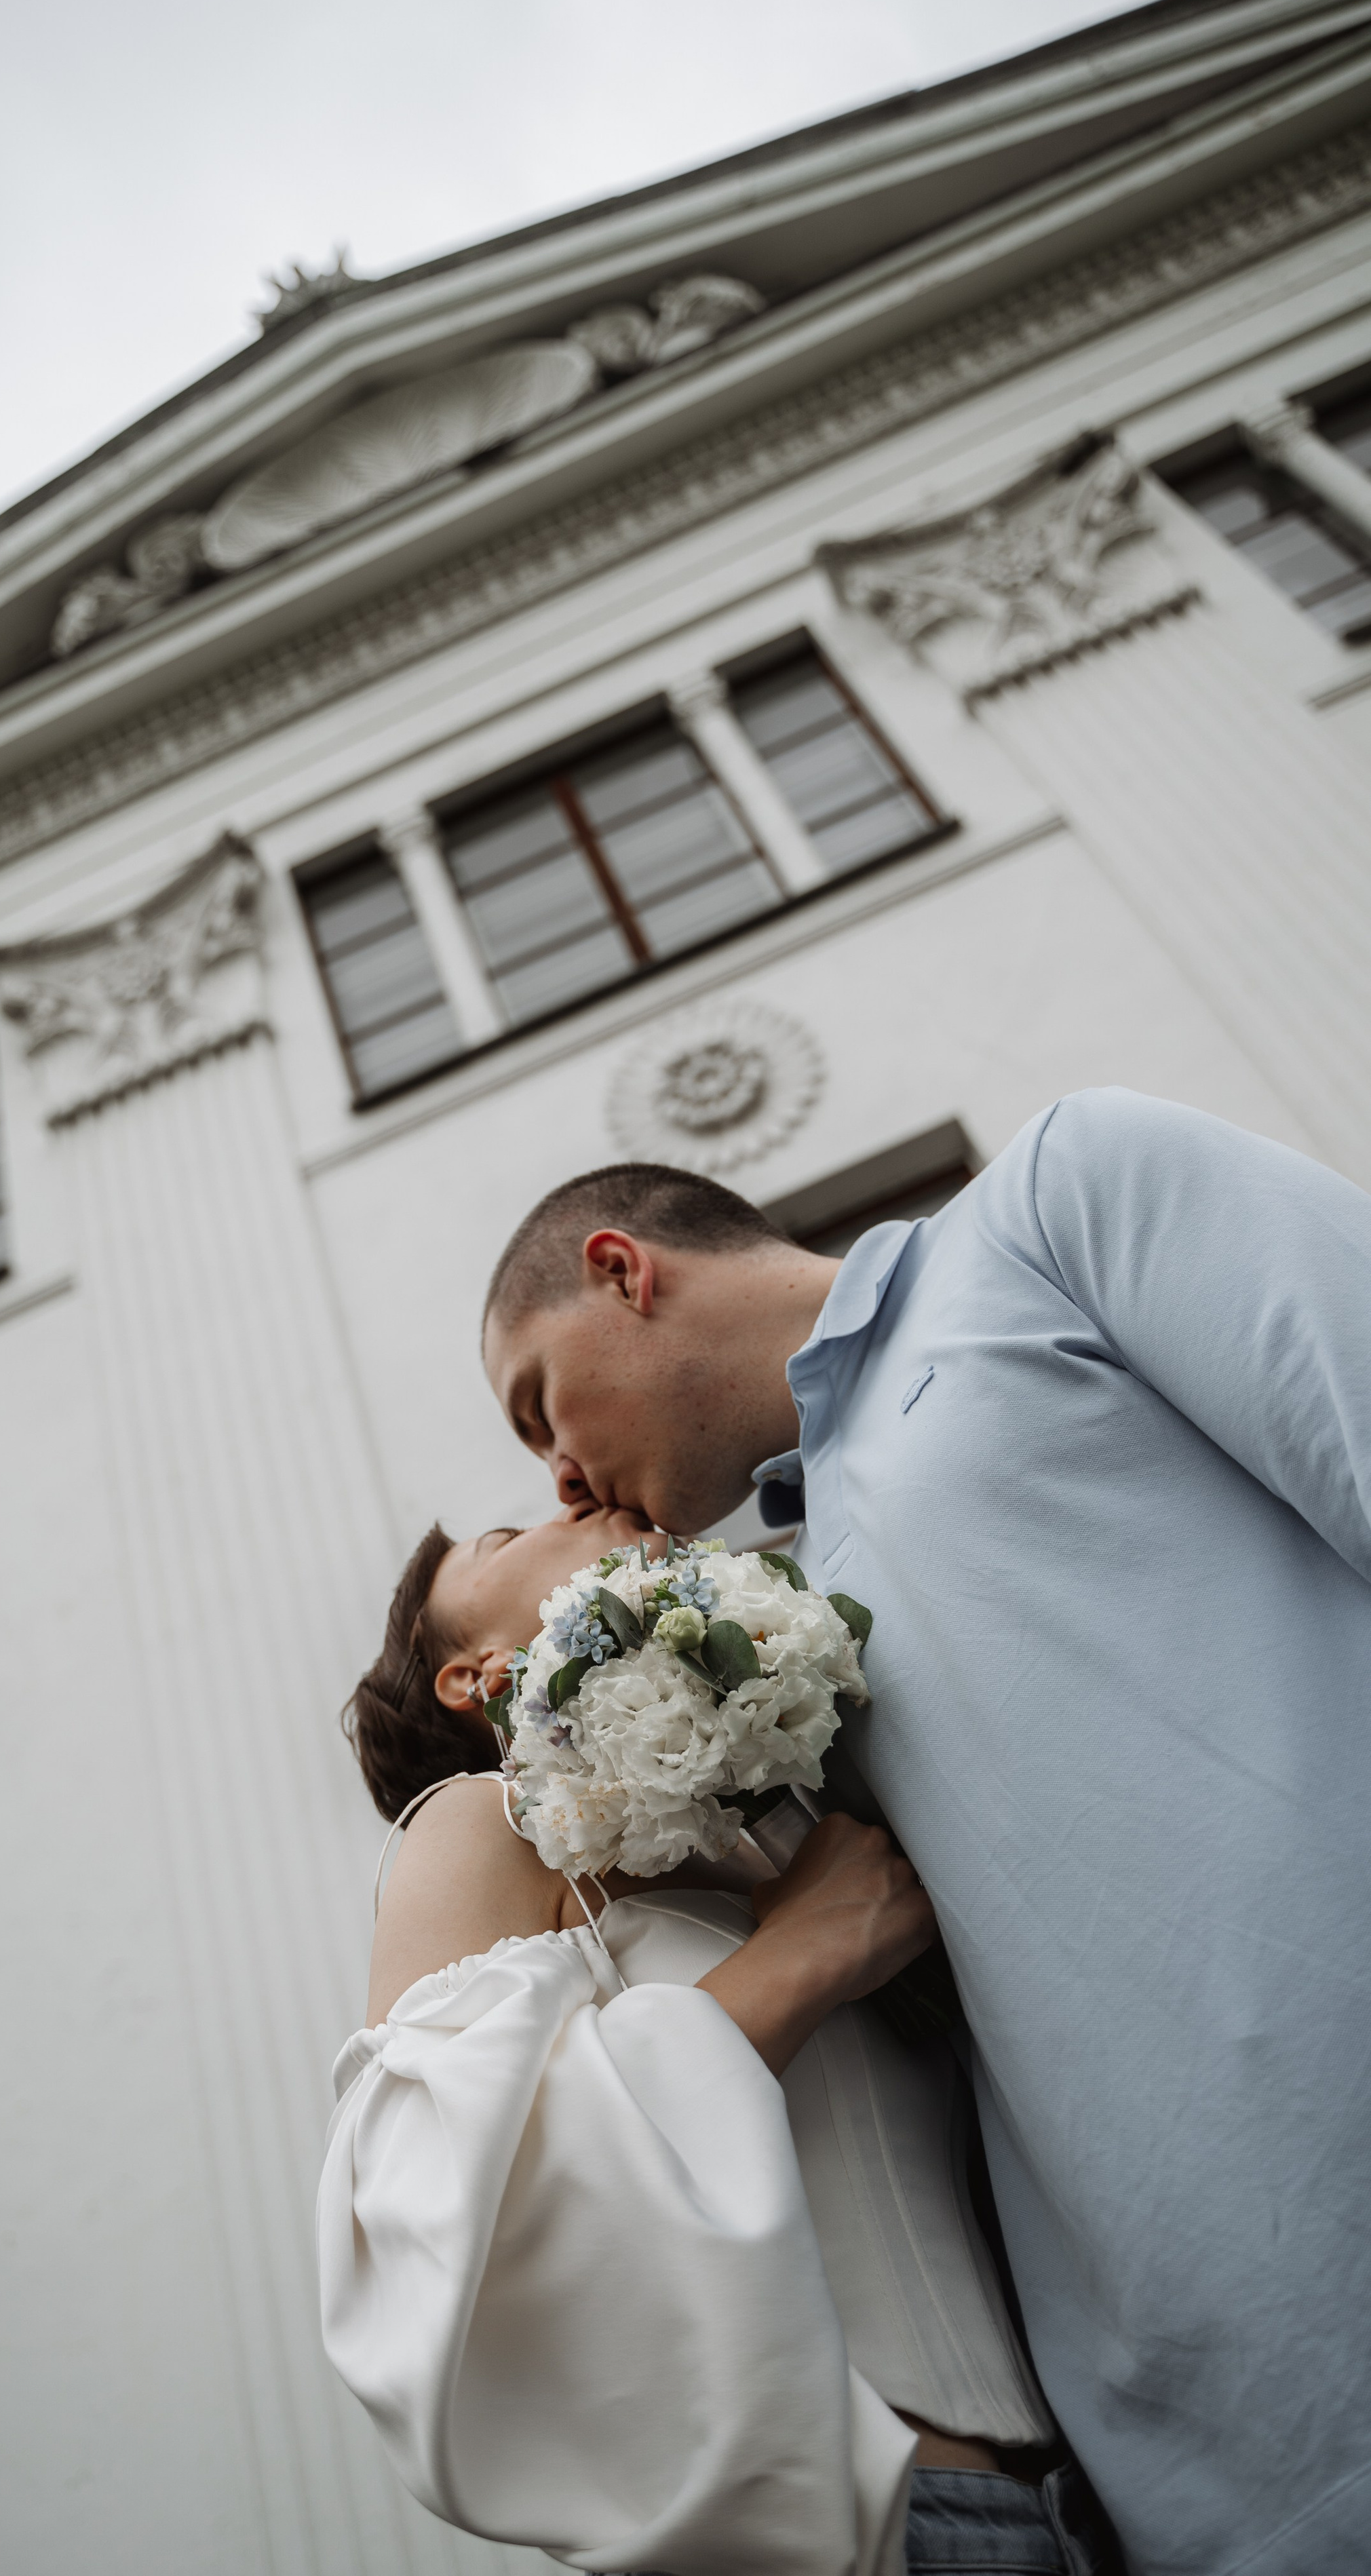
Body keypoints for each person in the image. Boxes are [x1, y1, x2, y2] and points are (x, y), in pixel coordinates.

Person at [478, 1090, 1371, 2576]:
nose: (554, 1480)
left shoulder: (1050, 1208)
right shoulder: (775, 1643)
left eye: (536, 1404)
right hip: (1209, 2482)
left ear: (621, 1272)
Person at [322, 1507, 1119, 2576]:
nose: (566, 1504)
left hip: (1083, 2513)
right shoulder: (478, 1822)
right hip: (866, 2529)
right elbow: (443, 2203)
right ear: (478, 1674)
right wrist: (798, 1956)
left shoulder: (772, 1823)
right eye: (503, 1539)